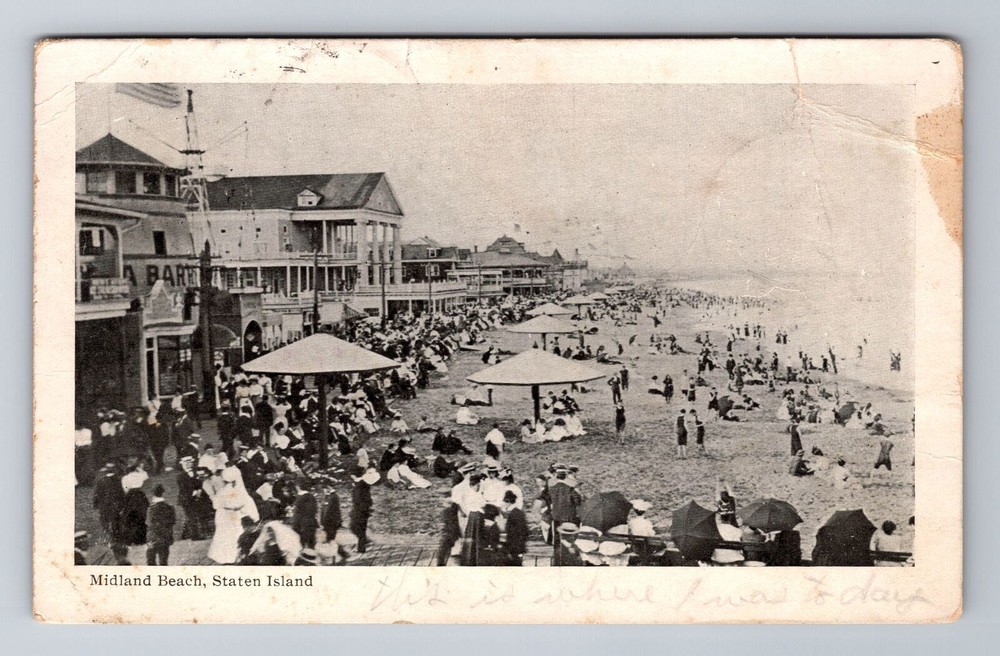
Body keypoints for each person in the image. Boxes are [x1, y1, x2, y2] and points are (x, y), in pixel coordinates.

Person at [207, 467, 259, 565]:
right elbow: (239, 503)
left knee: (225, 535)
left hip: (222, 515)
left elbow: (216, 504)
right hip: (231, 515)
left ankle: (225, 556)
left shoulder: (221, 491)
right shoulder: (236, 491)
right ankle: (234, 555)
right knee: (235, 533)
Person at [350, 466, 379, 553]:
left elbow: (362, 498)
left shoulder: (361, 484)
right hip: (360, 509)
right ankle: (363, 542)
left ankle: (361, 548)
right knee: (357, 527)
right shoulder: (361, 482)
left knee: (357, 528)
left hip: (360, 510)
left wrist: (362, 509)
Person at [145, 484, 176, 566]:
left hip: (153, 538)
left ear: (153, 496)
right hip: (165, 537)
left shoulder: (151, 509)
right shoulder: (170, 507)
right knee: (163, 561)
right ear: (163, 493)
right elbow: (172, 522)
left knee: (150, 560)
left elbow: (149, 523)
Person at [501, 490, 528, 566]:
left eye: (504, 502)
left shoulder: (515, 513)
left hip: (515, 545)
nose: (502, 504)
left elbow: (521, 531)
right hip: (515, 545)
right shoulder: (515, 512)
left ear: (508, 502)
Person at [291, 482, 320, 549]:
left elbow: (297, 512)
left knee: (300, 545)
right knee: (311, 544)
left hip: (300, 524)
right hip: (311, 523)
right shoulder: (312, 497)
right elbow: (314, 510)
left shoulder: (300, 497)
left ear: (298, 487)